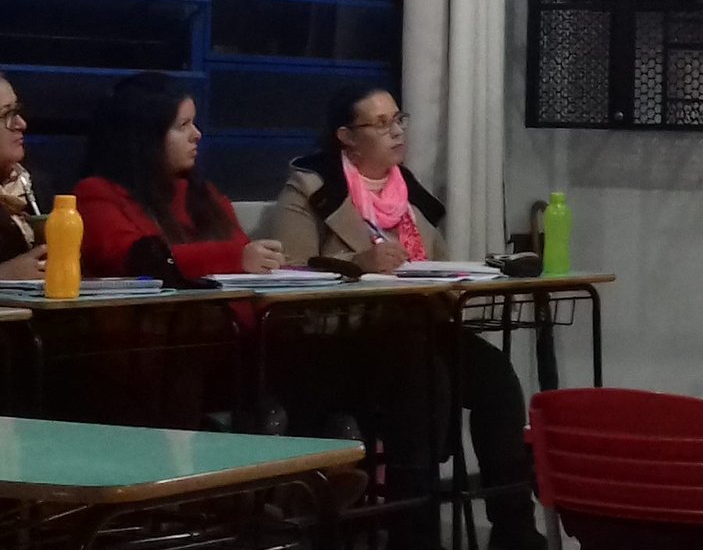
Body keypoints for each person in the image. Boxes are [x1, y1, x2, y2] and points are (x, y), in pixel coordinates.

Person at [271, 85, 541, 550]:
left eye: (399, 119)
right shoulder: (308, 188)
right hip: (337, 342)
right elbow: (290, 275)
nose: (396, 131)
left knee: (494, 375)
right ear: (346, 137)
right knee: (423, 373)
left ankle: (514, 529)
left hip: (416, 326)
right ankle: (414, 534)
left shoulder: (409, 193)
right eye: (381, 124)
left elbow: (440, 265)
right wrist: (359, 263)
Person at [75, 73, 284, 279]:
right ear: (147, 136)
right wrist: (235, 258)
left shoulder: (203, 192)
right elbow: (132, 260)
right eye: (183, 125)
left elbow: (243, 251)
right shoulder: (98, 193)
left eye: (193, 123)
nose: (197, 134)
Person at [0, 74, 47, 279]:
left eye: (17, 112)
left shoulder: (36, 185)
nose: (22, 124)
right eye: (7, 114)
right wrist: (3, 276)